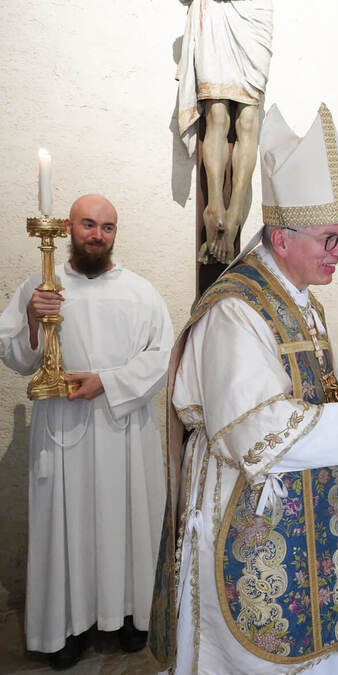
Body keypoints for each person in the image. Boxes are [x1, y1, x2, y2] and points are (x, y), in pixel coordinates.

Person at [148, 103, 338, 675]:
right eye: (331, 239)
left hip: (307, 509)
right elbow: (257, 432)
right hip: (249, 511)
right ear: (282, 238)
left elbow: (305, 395)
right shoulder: (237, 309)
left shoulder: (297, 298)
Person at [0, 194, 174, 669]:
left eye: (108, 227)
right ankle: (64, 631)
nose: (97, 235)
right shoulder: (42, 287)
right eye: (88, 225)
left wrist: (109, 382)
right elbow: (16, 357)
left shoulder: (141, 292)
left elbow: (163, 358)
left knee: (126, 521)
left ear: (116, 234)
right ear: (67, 228)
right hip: (63, 429)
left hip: (122, 430)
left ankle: (129, 622)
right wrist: (34, 318)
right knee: (66, 525)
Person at [176, 0, 274, 264]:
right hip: (214, 12)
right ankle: (215, 207)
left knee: (249, 117)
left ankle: (234, 213)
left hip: (254, 13)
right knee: (216, 112)